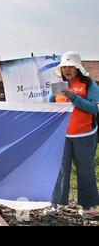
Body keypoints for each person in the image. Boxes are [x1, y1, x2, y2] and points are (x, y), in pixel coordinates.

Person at [44, 51, 99, 220]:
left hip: (86, 135)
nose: (67, 69)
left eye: (71, 66)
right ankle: (53, 204)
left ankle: (86, 207)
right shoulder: (57, 86)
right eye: (64, 66)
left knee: (86, 171)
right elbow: (50, 107)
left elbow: (94, 108)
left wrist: (72, 97)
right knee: (59, 170)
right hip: (62, 136)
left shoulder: (89, 85)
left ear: (78, 69)